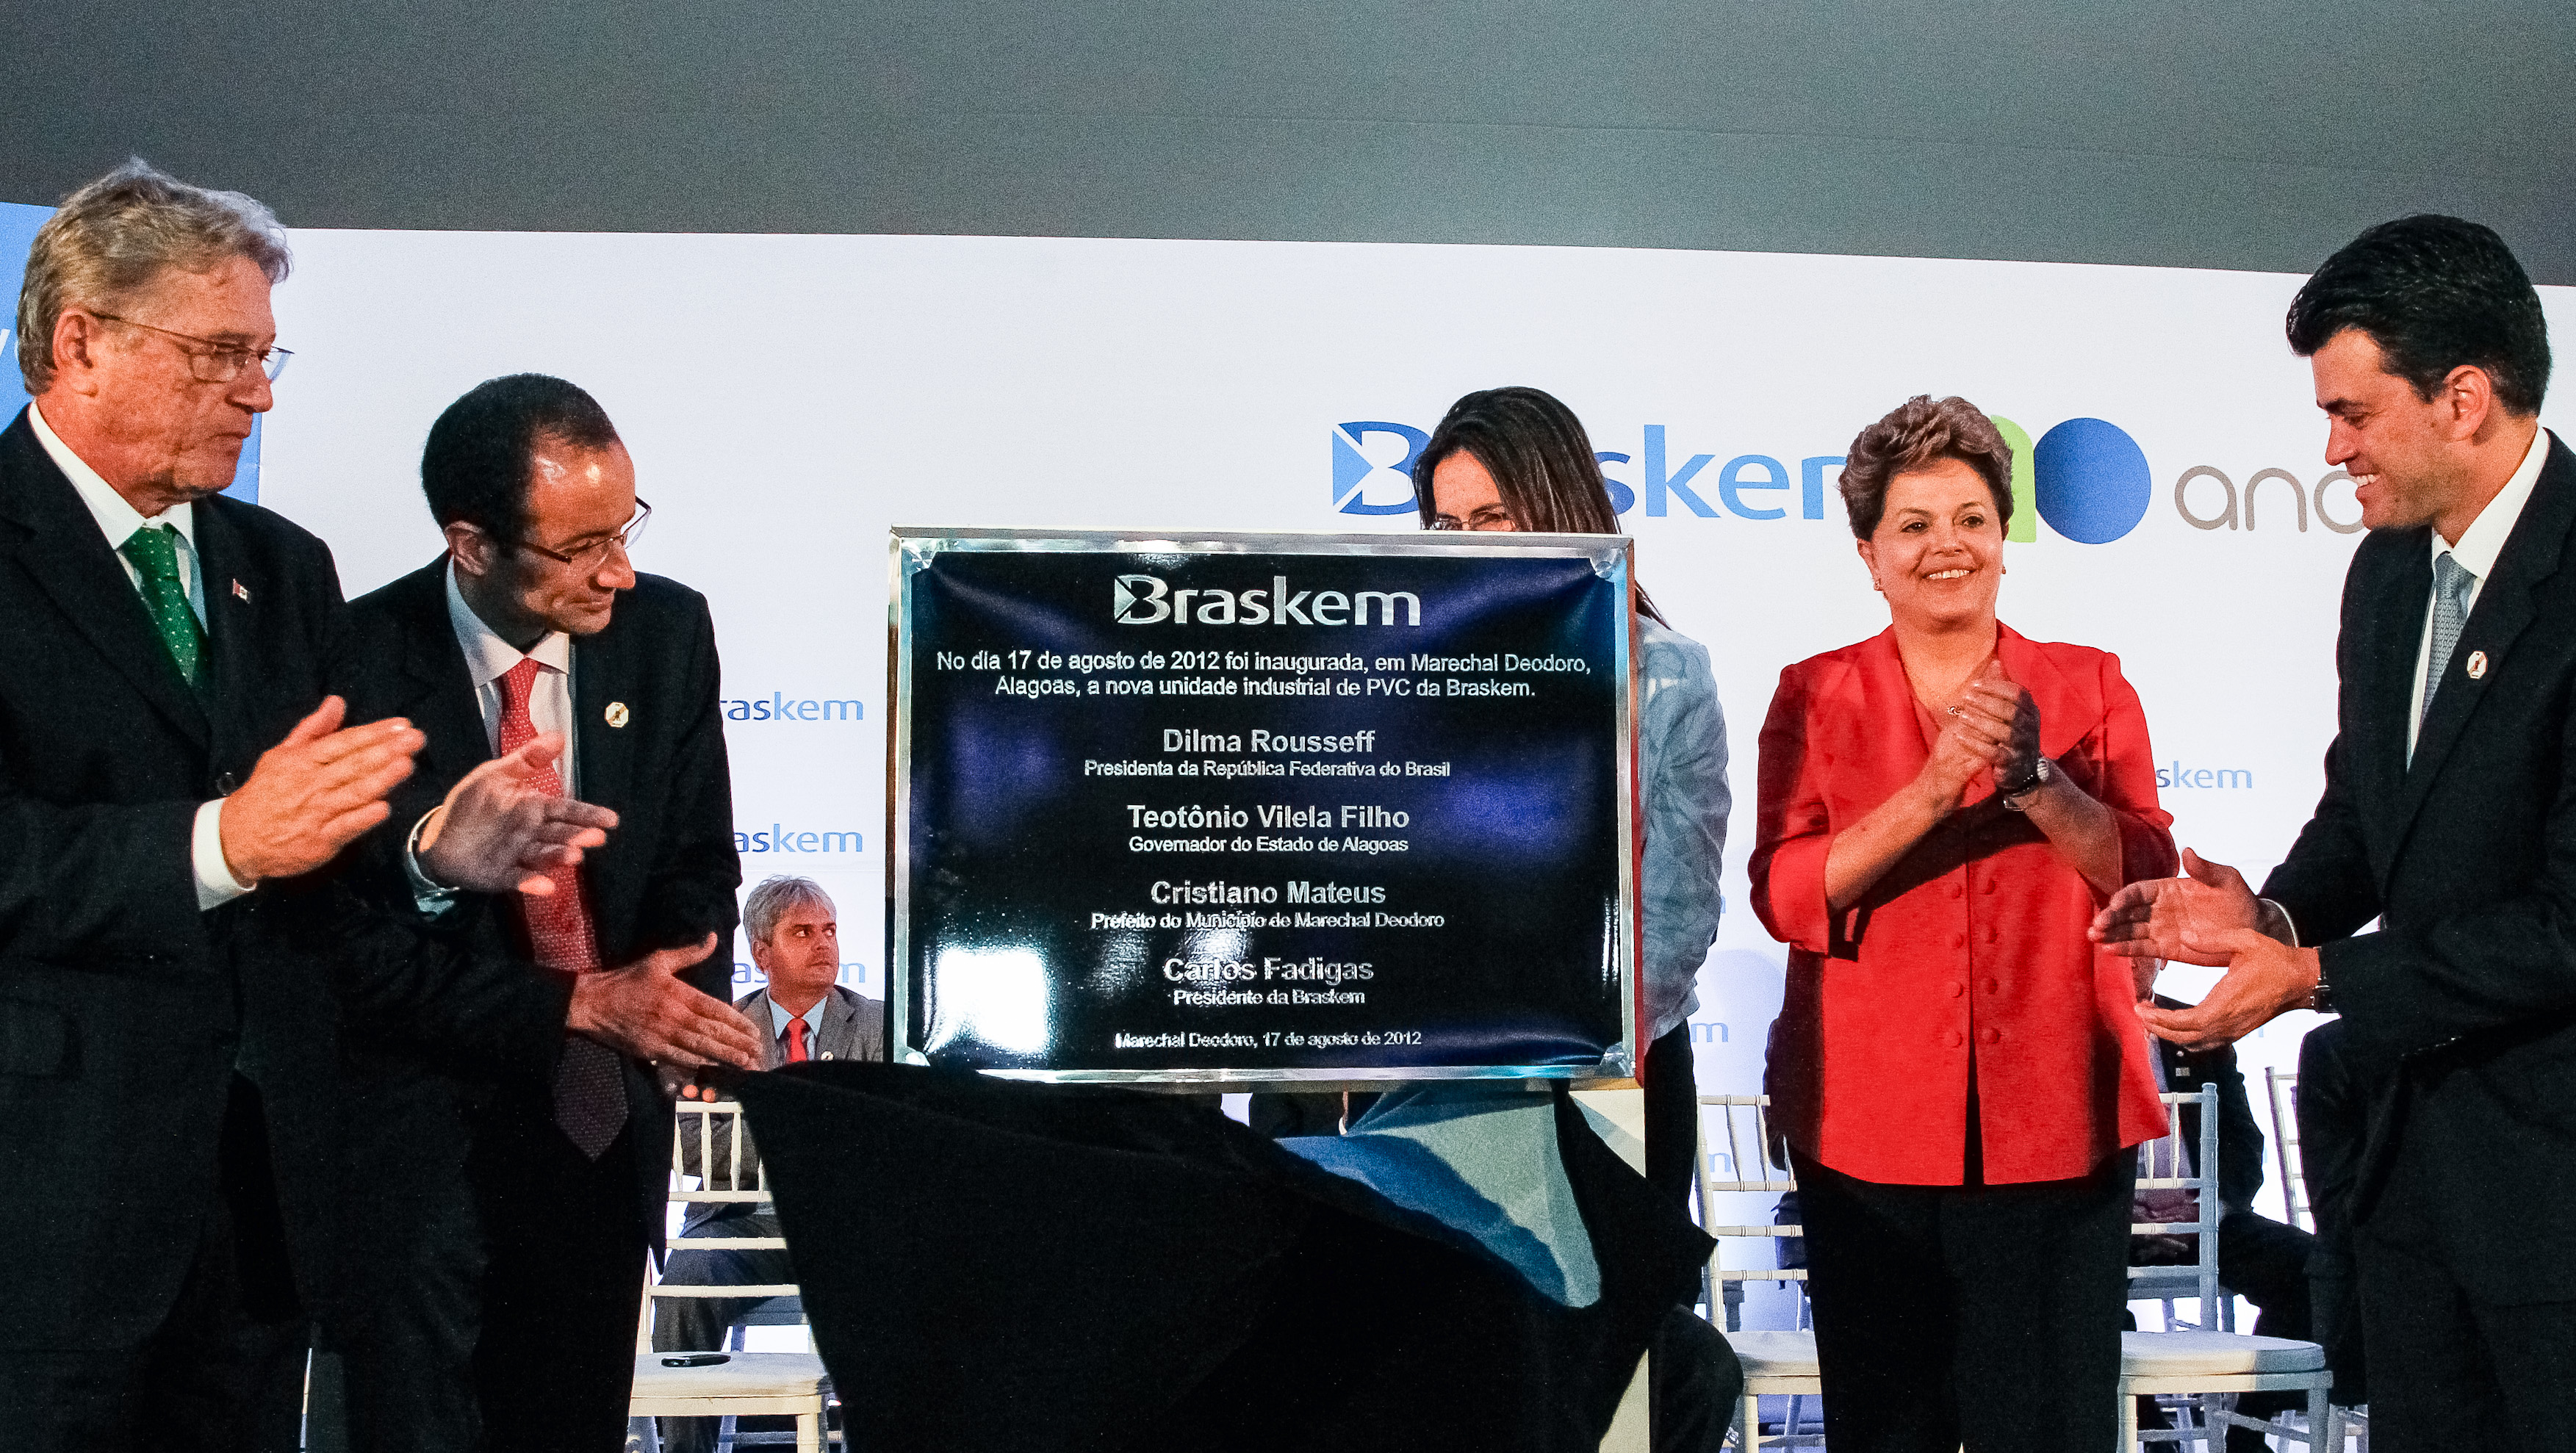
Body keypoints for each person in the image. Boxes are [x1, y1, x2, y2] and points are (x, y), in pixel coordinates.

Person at [0, 161, 680, 1451]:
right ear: (81, 343)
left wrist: (429, 855)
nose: (256, 391)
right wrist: (214, 846)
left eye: (266, 355)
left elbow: (328, 882)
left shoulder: (280, 569)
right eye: (220, 354)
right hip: (45, 1221)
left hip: (265, 1211)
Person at [2093, 214, 2569, 1449]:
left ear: (2463, 398)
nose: (2330, 447)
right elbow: (2364, 810)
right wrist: (2269, 916)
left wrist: (2311, 974)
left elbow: (2567, 926)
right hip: (2414, 1191)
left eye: (2354, 412)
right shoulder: (2390, 572)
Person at [332, 373, 759, 1452]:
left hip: (596, 1137)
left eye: (625, 528)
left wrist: (666, 1003)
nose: (617, 567)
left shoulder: (666, 631)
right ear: (471, 543)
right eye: (581, 547)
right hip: (423, 1154)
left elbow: (699, 863)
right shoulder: (350, 660)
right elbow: (347, 943)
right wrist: (574, 999)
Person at [1750, 394, 2174, 1452]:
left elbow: (2146, 874)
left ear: (2002, 539)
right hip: (1864, 1128)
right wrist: (1933, 789)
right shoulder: (1811, 694)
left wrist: (2033, 778)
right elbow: (1786, 892)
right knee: (1885, 1426)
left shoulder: (2089, 683)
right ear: (1868, 553)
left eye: (1973, 519)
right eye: (1914, 524)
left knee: (2049, 1423)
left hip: (2057, 1121)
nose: (1948, 545)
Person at [1412, 383, 1730, 1207]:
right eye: (1449, 526)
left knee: (1608, 1331)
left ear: (1559, 506)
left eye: (1494, 516)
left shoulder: (1666, 674)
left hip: (1612, 1073)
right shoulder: (1400, 673)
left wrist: (1557, 1045)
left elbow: (1677, 915)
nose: (1470, 545)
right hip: (1439, 1074)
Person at [656, 875, 886, 1453]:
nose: (824, 944)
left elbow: (887, 1139)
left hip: (851, 1226)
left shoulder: (882, 1027)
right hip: (741, 1221)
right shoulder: (719, 1030)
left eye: (830, 929)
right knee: (685, 1284)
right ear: (762, 954)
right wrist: (810, 1135)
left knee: (902, 1279)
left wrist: (768, 1126)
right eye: (802, 932)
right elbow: (690, 1142)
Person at [2125, 962, 2317, 1452]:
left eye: (2143, 947)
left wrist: (2209, 1208)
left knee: (2316, 1269)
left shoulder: (2198, 1026)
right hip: (2110, 1228)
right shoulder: (2066, 1028)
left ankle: (2247, 1431)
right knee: (2076, 1291)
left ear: (2162, 957)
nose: (2128, 960)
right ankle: (2150, 1435)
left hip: (2204, 1220)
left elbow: (2242, 1140)